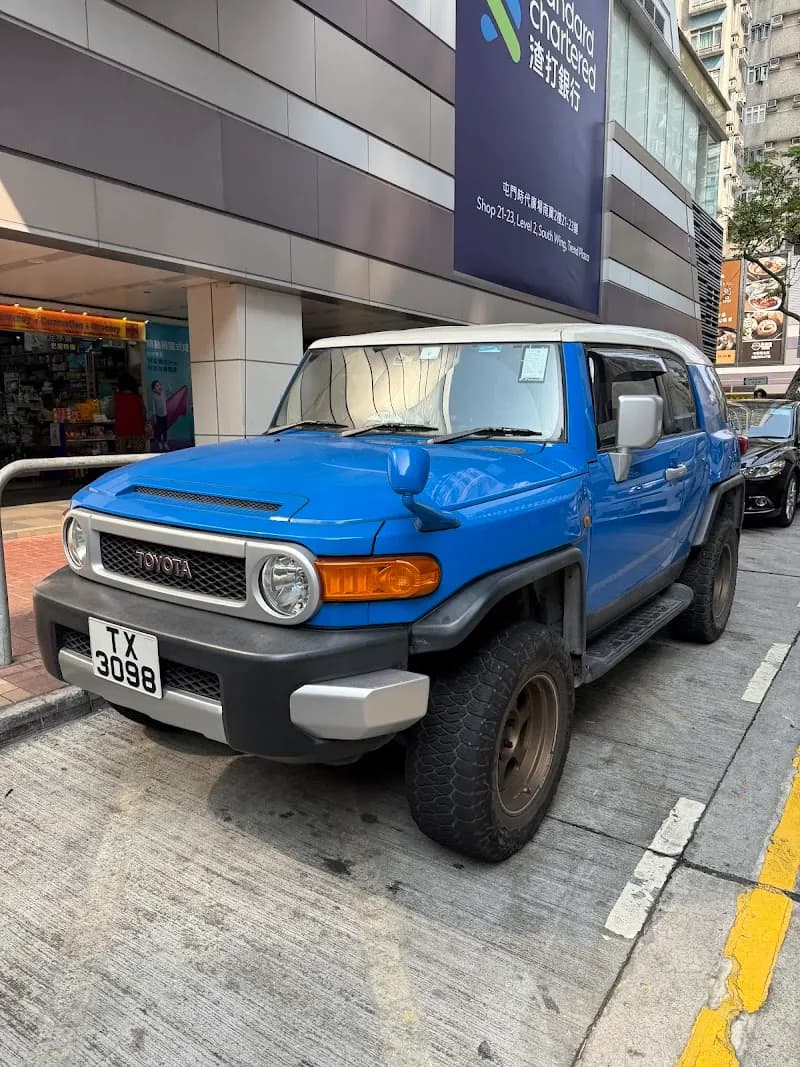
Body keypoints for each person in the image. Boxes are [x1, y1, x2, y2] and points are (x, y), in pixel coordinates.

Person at [112, 373, 147, 453]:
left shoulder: (116, 398)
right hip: (137, 430)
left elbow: (109, 413)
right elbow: (144, 414)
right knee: (138, 458)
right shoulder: (138, 398)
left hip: (121, 431)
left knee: (121, 458)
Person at [150, 379, 169, 452]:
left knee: (165, 429)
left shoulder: (163, 393)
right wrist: (154, 416)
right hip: (158, 415)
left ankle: (165, 442)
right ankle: (160, 442)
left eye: (159, 385)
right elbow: (154, 406)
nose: (159, 386)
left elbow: (170, 391)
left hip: (165, 414)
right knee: (159, 430)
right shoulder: (153, 396)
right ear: (154, 388)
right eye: (157, 385)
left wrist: (167, 385)